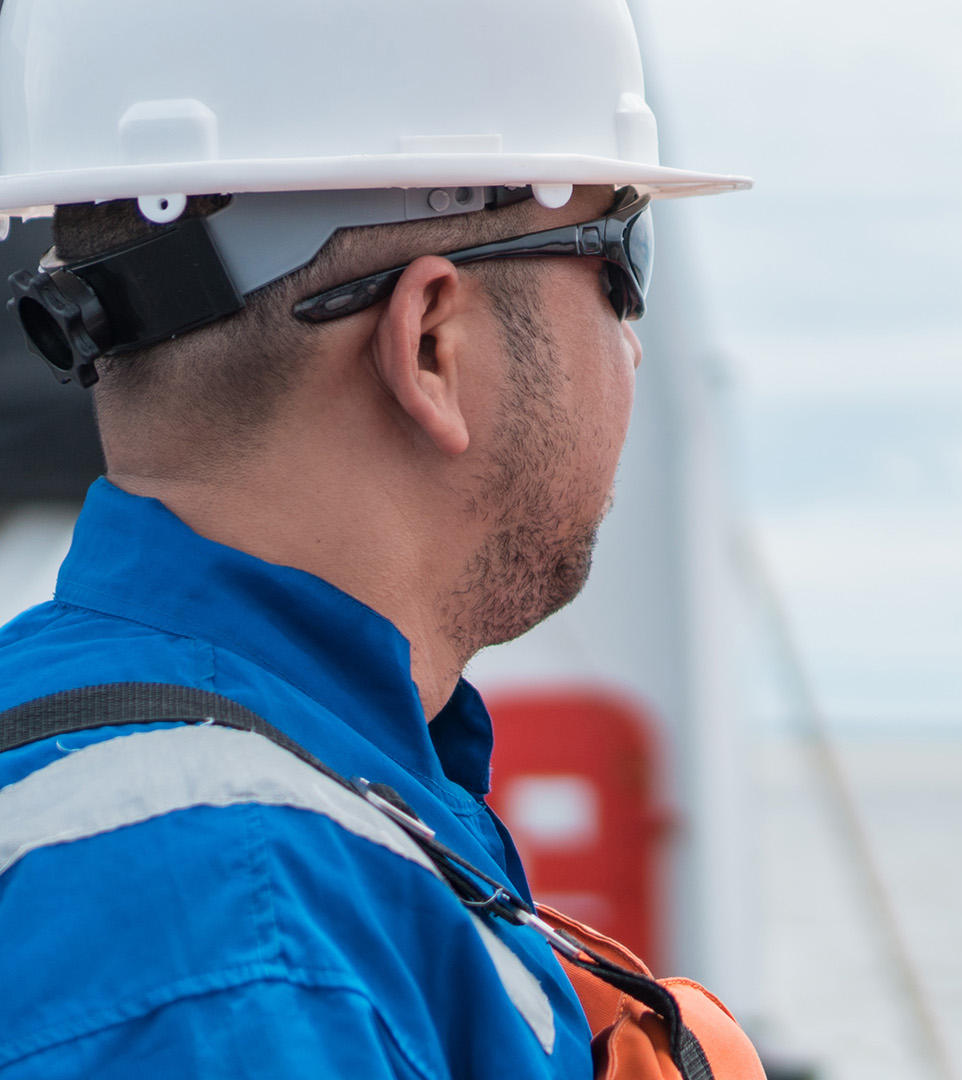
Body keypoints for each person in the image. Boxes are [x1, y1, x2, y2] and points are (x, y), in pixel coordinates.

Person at [0, 1, 755, 1076]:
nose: (629, 352)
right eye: (619, 266)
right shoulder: (246, 935)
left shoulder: (162, 793)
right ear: (432, 344)